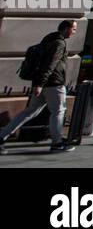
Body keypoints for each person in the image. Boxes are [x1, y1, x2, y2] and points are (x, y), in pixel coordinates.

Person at [0, 19, 77, 154]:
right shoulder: (59, 43)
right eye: (73, 29)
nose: (74, 32)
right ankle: (57, 143)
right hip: (53, 84)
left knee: (30, 111)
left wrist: (38, 83)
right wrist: (40, 84)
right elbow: (50, 64)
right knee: (58, 111)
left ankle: (1, 136)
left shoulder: (48, 40)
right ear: (65, 29)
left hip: (42, 83)